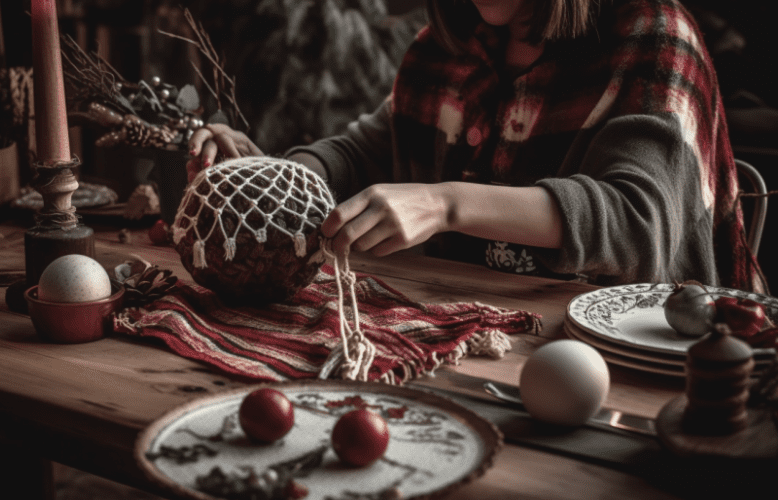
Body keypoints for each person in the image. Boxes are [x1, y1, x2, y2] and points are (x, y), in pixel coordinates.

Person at [185, 0, 764, 293]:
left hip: (649, 358)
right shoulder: (444, 48)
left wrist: (444, 204)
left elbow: (639, 224)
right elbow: (364, 152)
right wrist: (275, 178)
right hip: (475, 328)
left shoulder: (655, 35)